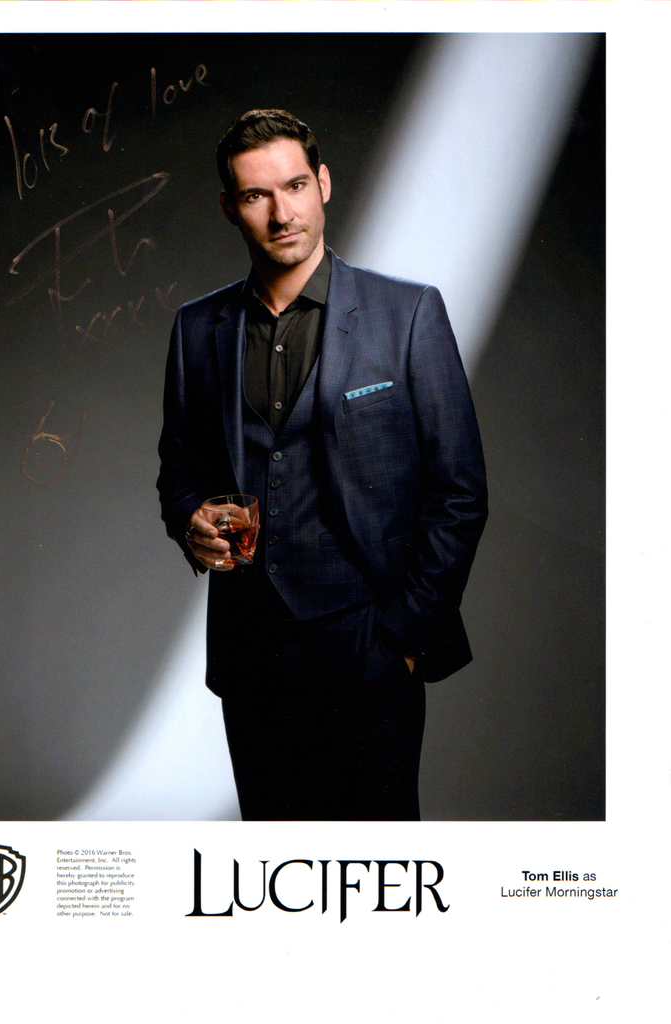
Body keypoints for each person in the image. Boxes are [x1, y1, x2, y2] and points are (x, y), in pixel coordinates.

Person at [157, 109, 487, 821]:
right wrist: (190, 519)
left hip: (369, 641)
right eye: (256, 195)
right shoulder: (197, 329)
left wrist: (401, 638)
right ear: (229, 208)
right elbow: (176, 470)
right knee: (274, 859)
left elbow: (459, 491)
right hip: (250, 652)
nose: (282, 214)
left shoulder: (407, 313)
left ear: (324, 184)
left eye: (295, 186)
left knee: (375, 861)